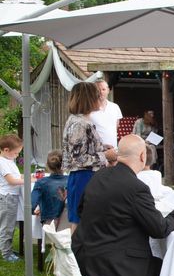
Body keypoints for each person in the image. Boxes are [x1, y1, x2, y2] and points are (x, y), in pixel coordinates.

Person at [72, 135, 174, 276]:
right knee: (160, 266)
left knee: (141, 259)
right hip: (111, 263)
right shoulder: (136, 188)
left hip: (83, 255)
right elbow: (159, 229)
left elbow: (82, 209)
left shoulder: (99, 176)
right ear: (143, 156)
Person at [62, 82, 117, 232]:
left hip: (88, 177)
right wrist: (106, 155)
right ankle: (78, 254)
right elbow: (78, 159)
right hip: (83, 178)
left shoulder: (82, 120)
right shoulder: (79, 123)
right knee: (81, 221)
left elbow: (84, 148)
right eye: (97, 96)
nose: (101, 98)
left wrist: (101, 147)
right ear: (89, 99)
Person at [0, 134, 24, 262]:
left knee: (8, 225)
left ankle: (6, 248)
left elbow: (16, 175)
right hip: (8, 198)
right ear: (6, 150)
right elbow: (11, 181)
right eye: (16, 153)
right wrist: (27, 180)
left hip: (10, 197)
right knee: (7, 227)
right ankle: (6, 253)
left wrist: (25, 176)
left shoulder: (9, 161)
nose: (17, 155)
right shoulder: (2, 163)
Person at [31, 150, 67, 226]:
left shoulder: (41, 183)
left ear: (47, 165)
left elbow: (31, 205)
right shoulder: (71, 180)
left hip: (49, 222)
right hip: (69, 221)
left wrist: (35, 211)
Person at [89, 79, 122, 149]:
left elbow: (116, 126)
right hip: (96, 150)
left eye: (103, 89)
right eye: (98, 90)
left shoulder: (115, 107)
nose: (101, 92)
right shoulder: (89, 108)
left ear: (108, 90)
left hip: (113, 148)